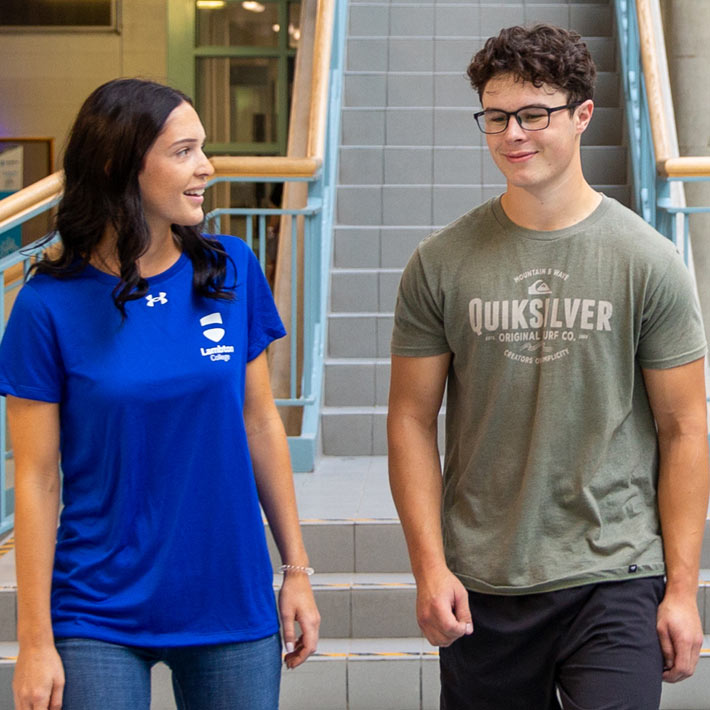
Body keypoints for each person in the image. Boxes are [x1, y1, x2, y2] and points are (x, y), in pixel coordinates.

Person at [388, 24, 709, 710]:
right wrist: (429, 565)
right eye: (497, 116)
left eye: (535, 114)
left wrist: (681, 588)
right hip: (485, 580)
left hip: (615, 571)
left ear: (582, 115)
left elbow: (685, 427)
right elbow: (411, 420)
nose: (513, 135)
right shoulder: (440, 263)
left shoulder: (647, 260)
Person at [0, 78, 319, 710]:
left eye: (203, 148)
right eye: (183, 151)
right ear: (121, 164)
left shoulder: (231, 269)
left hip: (230, 595)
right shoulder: (45, 306)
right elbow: (36, 480)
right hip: (98, 610)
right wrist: (34, 640)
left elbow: (260, 424)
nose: (206, 168)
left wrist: (297, 571)